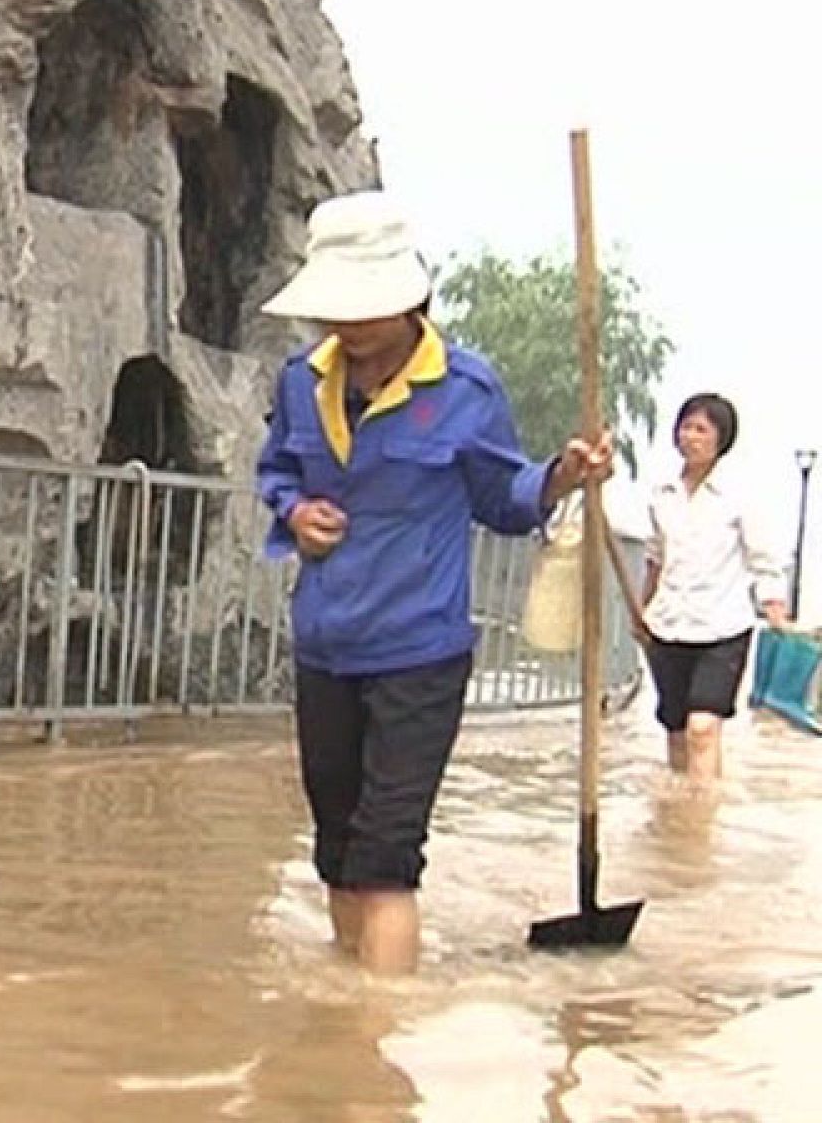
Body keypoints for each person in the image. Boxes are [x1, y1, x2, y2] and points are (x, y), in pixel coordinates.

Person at [255, 190, 613, 976]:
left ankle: (379, 1032)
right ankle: (339, 1014)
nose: (348, 325)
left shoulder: (465, 390)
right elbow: (276, 470)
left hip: (419, 652)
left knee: (386, 857)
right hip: (325, 644)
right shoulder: (299, 382)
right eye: (336, 308)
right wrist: (296, 510)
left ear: (409, 297)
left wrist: (560, 477)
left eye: (364, 307)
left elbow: (503, 498)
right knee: (337, 849)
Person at [638, 393, 788, 782]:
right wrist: (642, 609)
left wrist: (774, 607)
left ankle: (702, 812)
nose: (690, 437)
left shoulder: (739, 496)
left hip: (722, 627)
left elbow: (763, 558)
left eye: (701, 430)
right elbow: (655, 558)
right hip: (668, 625)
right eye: (685, 427)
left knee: (702, 728)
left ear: (722, 439)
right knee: (676, 732)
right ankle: (681, 811)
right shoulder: (662, 494)